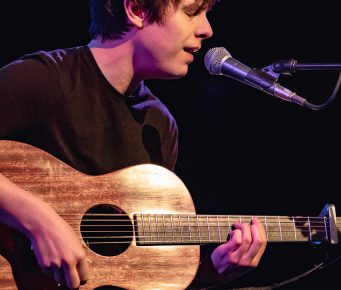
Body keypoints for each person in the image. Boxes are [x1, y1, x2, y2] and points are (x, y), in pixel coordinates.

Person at [0, 0, 267, 289]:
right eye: (191, 12)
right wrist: (40, 222)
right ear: (137, 10)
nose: (207, 30)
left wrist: (211, 273)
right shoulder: (41, 80)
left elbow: (131, 272)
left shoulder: (159, 127)